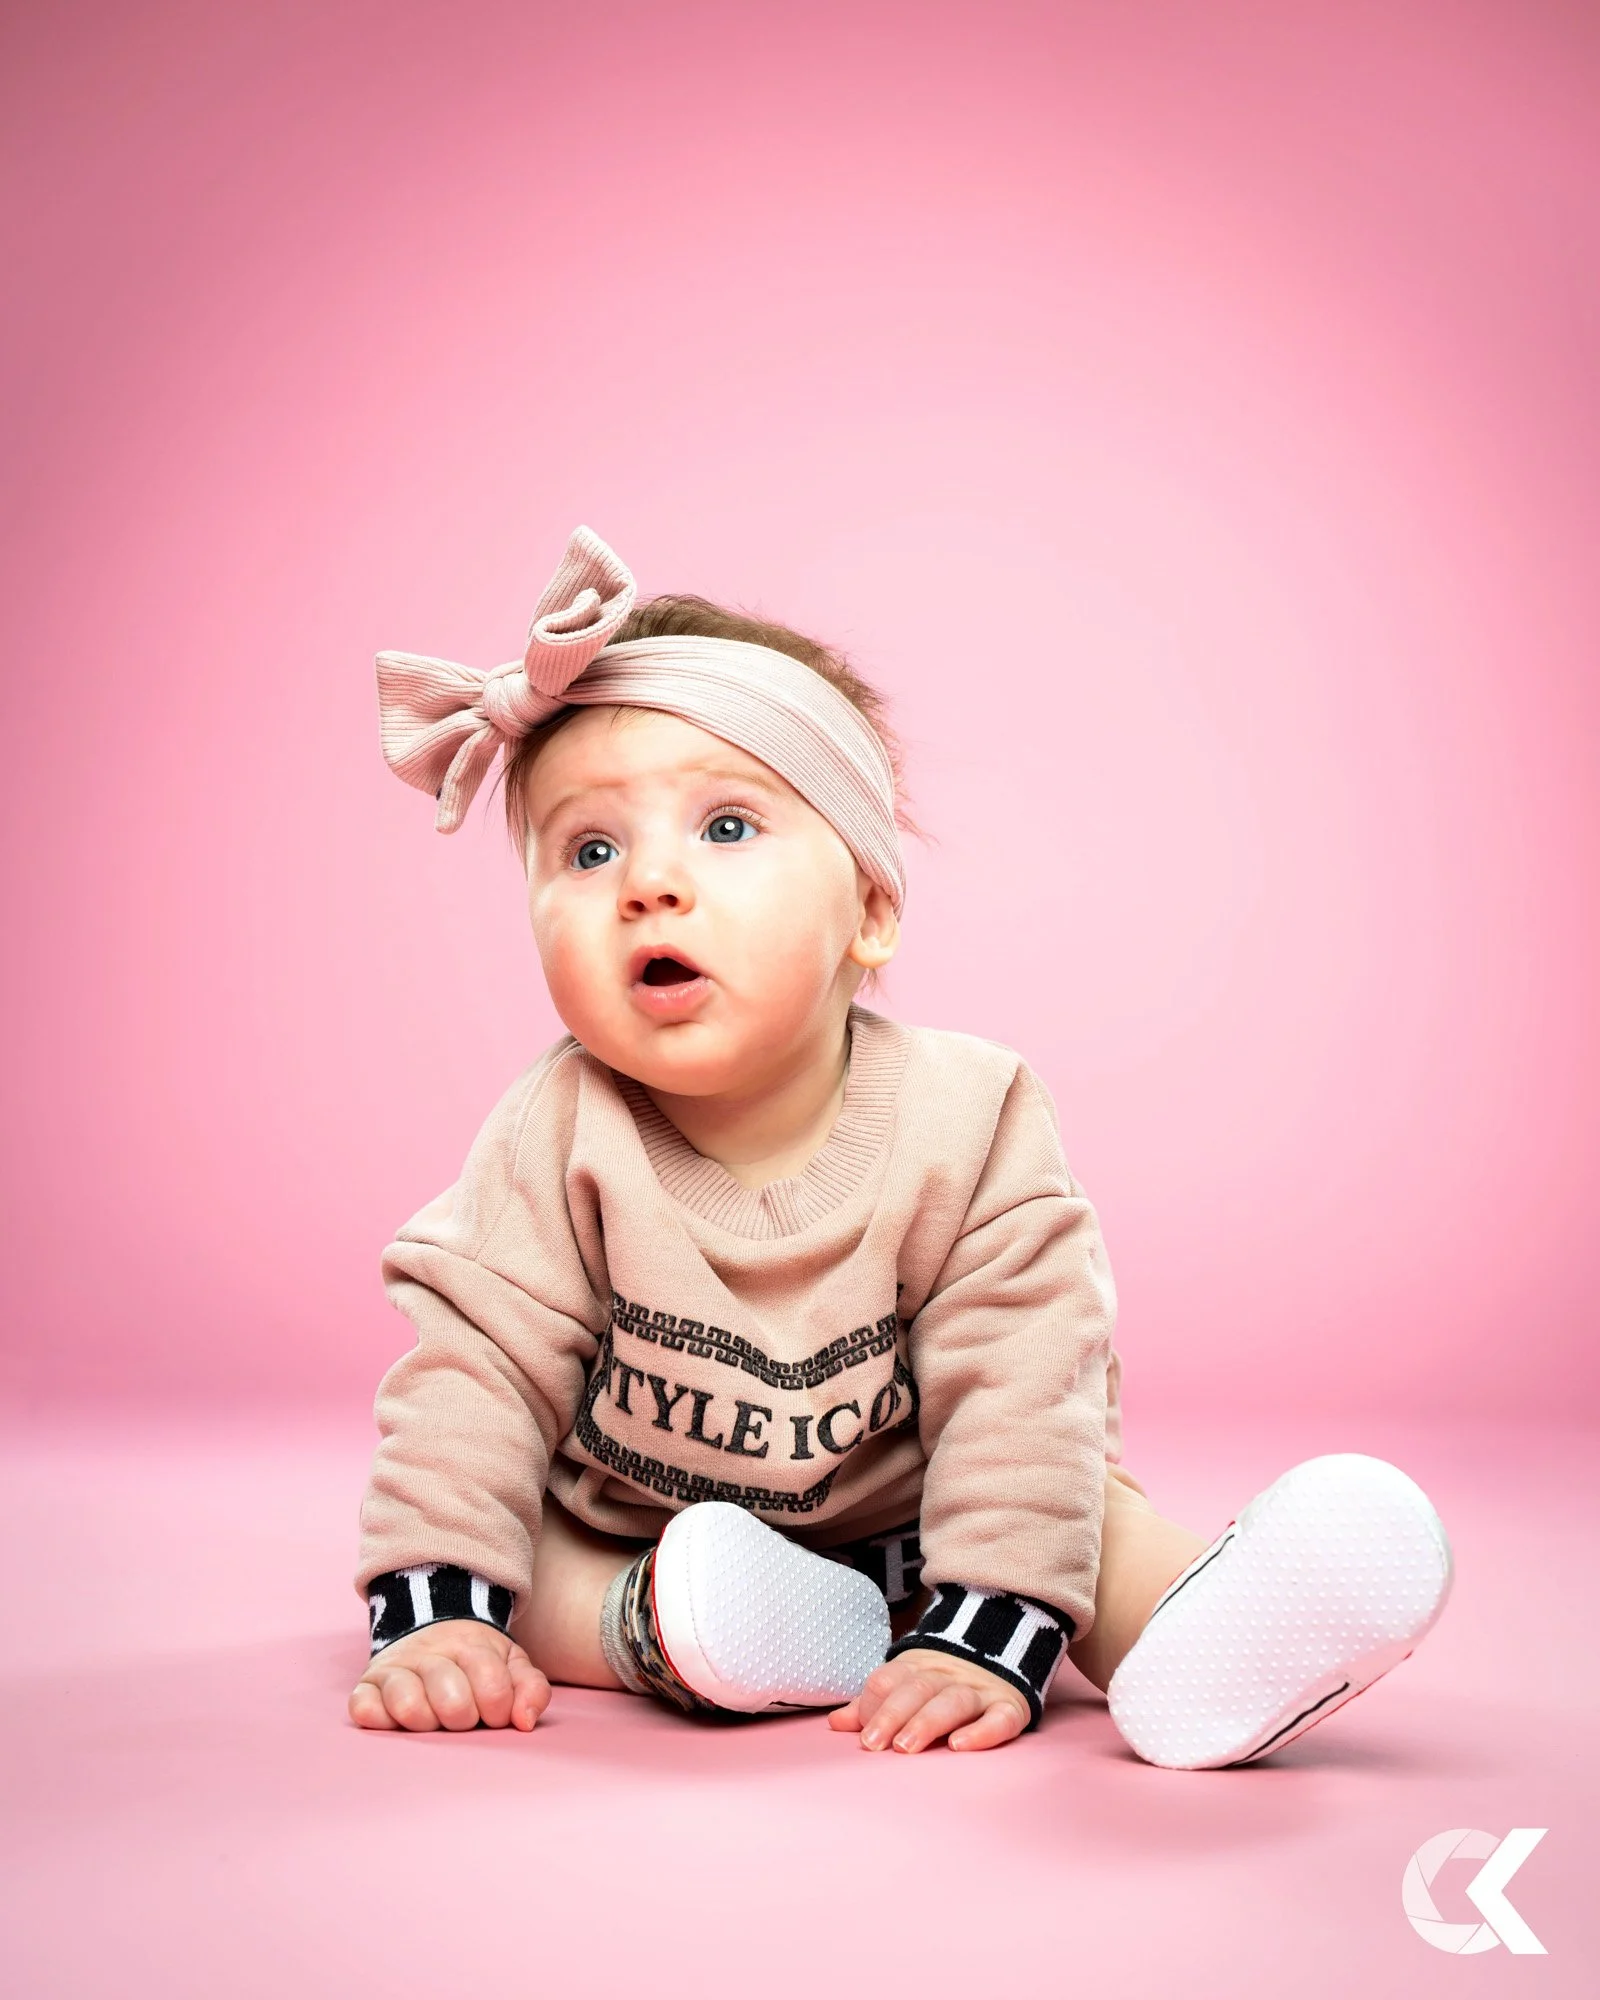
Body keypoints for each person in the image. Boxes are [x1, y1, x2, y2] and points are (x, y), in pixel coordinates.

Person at [349, 527, 1451, 1767]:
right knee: (535, 1562)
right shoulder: (555, 1131)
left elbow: (1023, 1375)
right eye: (588, 848)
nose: (647, 882)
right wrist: (436, 1618)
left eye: (724, 827)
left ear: (870, 907)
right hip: (649, 1524)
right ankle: (677, 1625)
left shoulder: (968, 1117)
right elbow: (473, 1373)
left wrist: (987, 1626)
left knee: (1077, 1505)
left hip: (933, 1529)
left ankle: (1198, 1631)